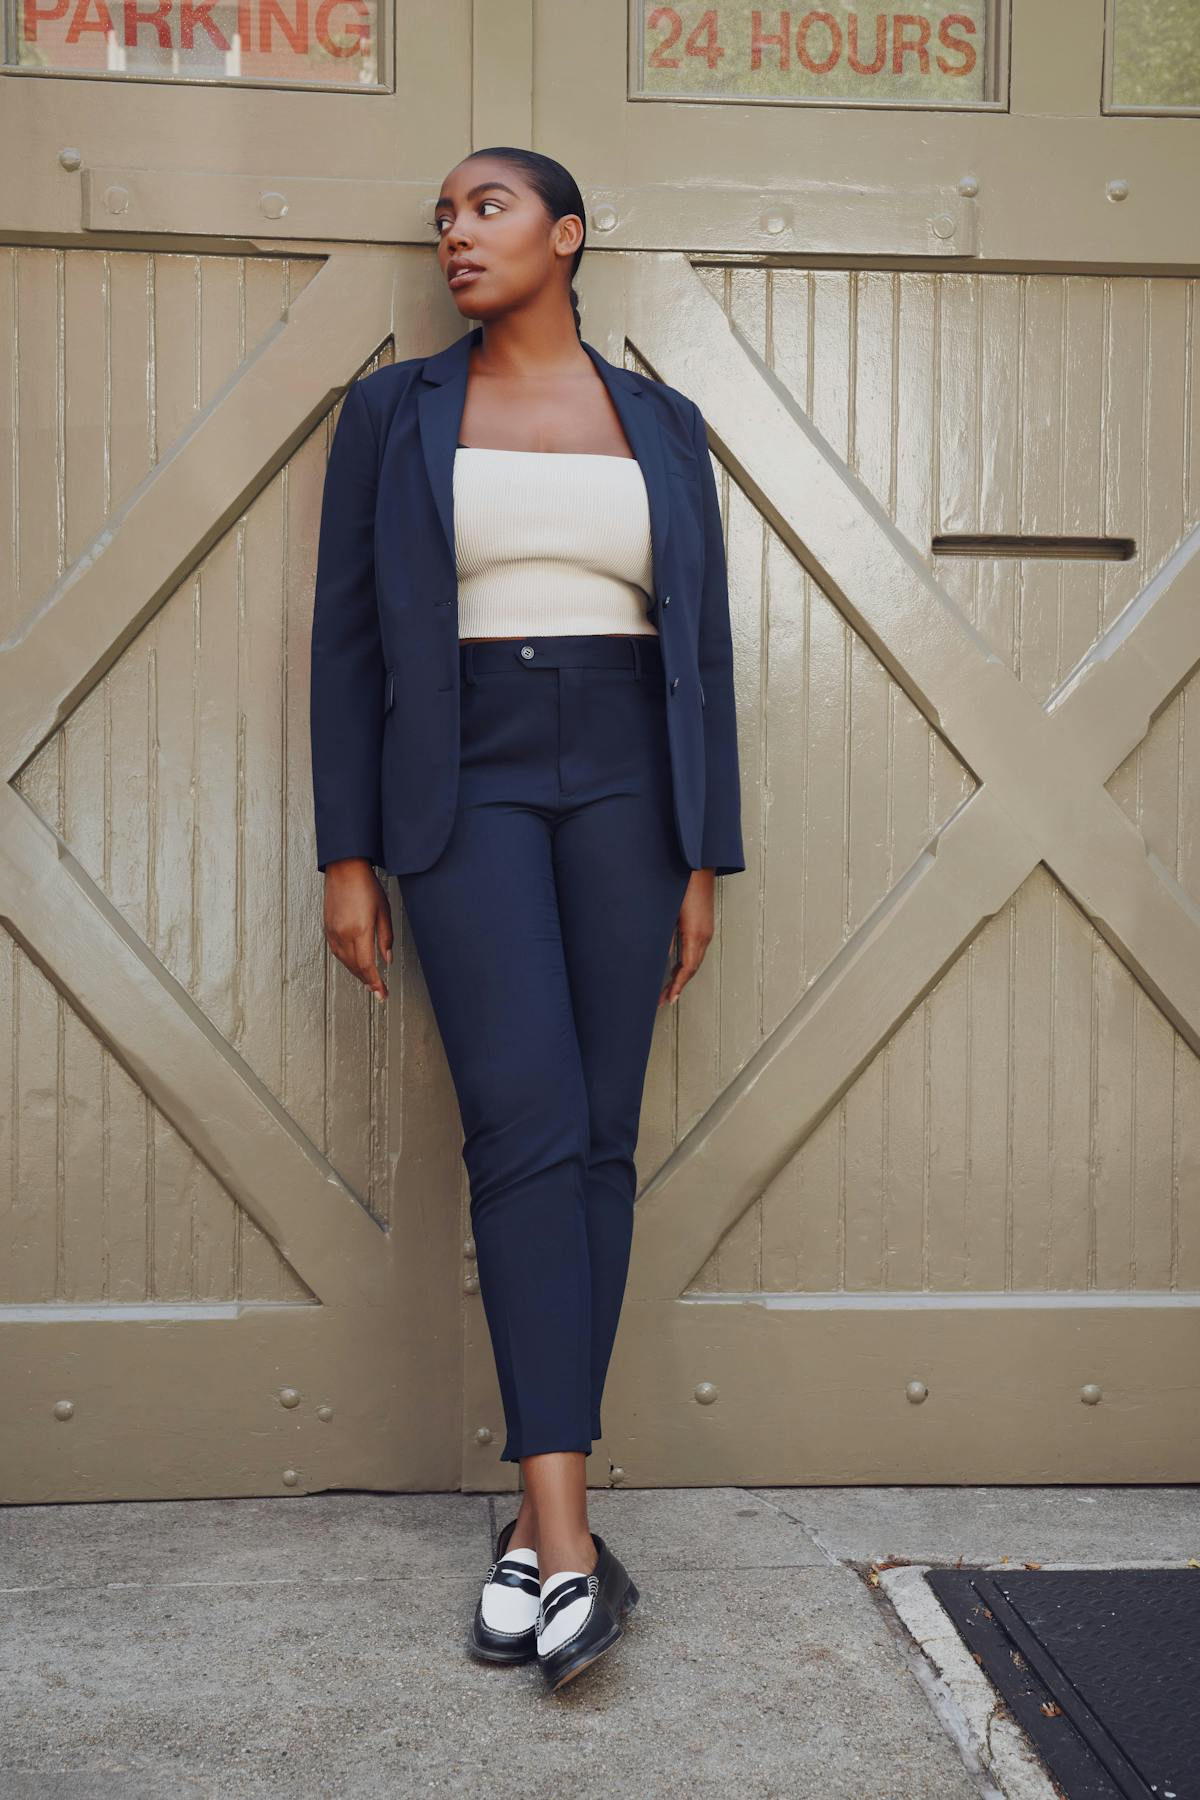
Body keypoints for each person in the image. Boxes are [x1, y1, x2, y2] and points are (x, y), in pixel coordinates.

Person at [309, 146, 745, 1694]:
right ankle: (569, 1544)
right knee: (528, 1124)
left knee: (604, 1135)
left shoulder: (666, 425)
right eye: (440, 213)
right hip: (466, 781)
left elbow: (700, 644)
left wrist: (706, 852)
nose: (454, 232)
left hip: (633, 779)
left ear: (568, 236)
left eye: (485, 207)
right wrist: (346, 853)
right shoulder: (395, 412)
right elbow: (345, 641)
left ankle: (531, 1512)